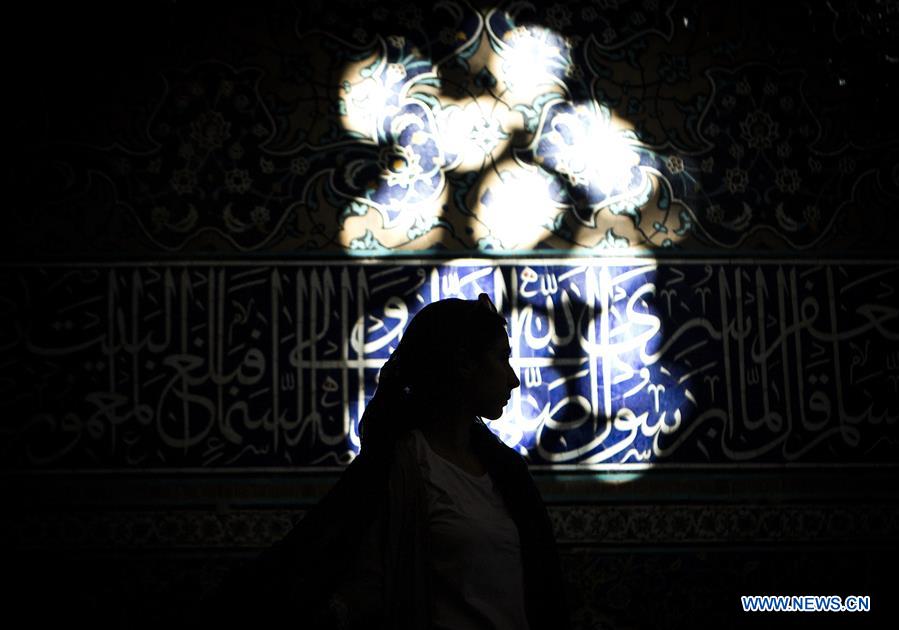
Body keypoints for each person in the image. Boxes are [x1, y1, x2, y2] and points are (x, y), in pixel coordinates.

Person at [199, 293, 569, 630]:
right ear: (463, 365)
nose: (513, 379)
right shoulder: (400, 469)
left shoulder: (506, 473)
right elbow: (356, 578)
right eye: (501, 358)